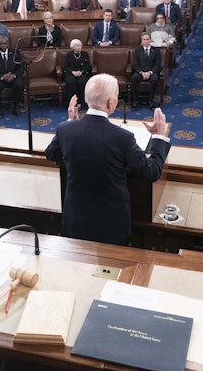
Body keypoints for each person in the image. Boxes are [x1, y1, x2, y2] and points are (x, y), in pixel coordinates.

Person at [45, 74, 171, 245]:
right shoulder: (123, 138)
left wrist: (71, 123)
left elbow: (51, 154)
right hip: (111, 224)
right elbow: (152, 171)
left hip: (75, 219)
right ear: (111, 103)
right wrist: (158, 137)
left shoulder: (64, 129)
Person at [0, 36, 24, 118]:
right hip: (0, 79)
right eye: (0, 44)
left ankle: (16, 106)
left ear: (8, 44)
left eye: (4, 43)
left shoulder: (15, 52)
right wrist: (2, 77)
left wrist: (14, 75)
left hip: (13, 77)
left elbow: (21, 68)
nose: (3, 45)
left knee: (20, 84)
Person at [129, 33, 160, 109]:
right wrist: (141, 72)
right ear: (141, 41)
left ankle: (151, 100)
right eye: (144, 39)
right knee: (134, 78)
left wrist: (150, 72)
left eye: (147, 39)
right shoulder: (137, 51)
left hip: (151, 72)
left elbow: (158, 65)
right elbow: (135, 64)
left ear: (150, 40)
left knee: (155, 79)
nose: (146, 41)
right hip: (140, 72)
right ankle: (135, 100)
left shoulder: (156, 51)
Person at [63, 39, 91, 107]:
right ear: (73, 47)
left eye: (80, 45)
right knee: (70, 82)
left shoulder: (85, 54)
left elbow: (88, 66)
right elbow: (66, 66)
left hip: (82, 73)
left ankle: (80, 101)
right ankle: (72, 101)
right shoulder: (69, 54)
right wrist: (73, 72)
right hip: (71, 73)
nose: (79, 47)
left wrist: (81, 72)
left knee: (81, 82)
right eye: (77, 46)